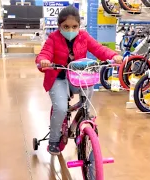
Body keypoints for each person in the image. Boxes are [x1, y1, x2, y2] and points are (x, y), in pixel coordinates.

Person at [35, 5, 123, 155]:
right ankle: (54, 140)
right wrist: (43, 60)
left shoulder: (84, 36)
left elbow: (99, 49)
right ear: (59, 26)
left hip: (78, 76)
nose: (70, 30)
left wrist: (113, 55)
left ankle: (84, 119)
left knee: (87, 99)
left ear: (79, 25)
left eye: (74, 26)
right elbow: (45, 53)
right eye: (66, 26)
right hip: (58, 77)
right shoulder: (53, 38)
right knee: (61, 108)